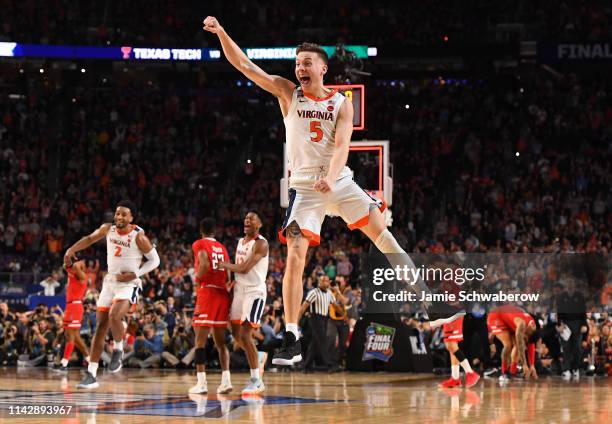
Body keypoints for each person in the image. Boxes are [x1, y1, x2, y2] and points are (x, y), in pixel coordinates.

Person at [202, 16, 462, 367]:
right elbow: (245, 65)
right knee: (295, 255)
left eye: (306, 63)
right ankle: (292, 336)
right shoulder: (287, 93)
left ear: (323, 69)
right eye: (297, 64)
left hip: (338, 180)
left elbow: (342, 146)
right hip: (304, 187)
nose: (299, 68)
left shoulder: (341, 103)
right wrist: (221, 33)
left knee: (384, 236)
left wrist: (332, 175)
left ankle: (428, 302)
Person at [63, 200, 160, 389]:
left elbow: (155, 261)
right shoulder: (108, 229)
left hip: (129, 282)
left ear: (131, 218)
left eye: (124, 214)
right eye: (117, 214)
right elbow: (89, 239)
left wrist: (135, 274)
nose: (119, 217)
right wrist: (71, 250)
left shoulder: (139, 237)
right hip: (111, 281)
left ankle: (118, 348)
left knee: (115, 315)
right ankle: (91, 374)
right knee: (100, 326)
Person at [219, 212, 268, 395]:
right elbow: (238, 269)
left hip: (255, 292)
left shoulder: (261, 244)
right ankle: (258, 355)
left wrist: (225, 265)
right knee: (236, 333)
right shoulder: (241, 242)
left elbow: (245, 268)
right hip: (240, 290)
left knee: (246, 335)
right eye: (246, 218)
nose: (247, 221)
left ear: (259, 224)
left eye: (252, 218)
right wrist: (230, 280)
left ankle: (257, 380)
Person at [188, 218, 233, 395]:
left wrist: (197, 279)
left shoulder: (199, 243)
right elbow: (229, 276)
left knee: (199, 341)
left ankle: (202, 383)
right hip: (222, 293)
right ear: (215, 231)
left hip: (207, 292)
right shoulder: (222, 248)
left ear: (201, 230)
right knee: (220, 342)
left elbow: (204, 263)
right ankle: (226, 381)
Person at [299, 274, 347, 372]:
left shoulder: (329, 293)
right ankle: (331, 365)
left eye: (326, 280)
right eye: (322, 281)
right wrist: (297, 320)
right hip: (315, 318)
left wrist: (343, 315)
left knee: (315, 343)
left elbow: (335, 306)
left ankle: (306, 367)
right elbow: (304, 306)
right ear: (319, 282)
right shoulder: (314, 292)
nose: (325, 282)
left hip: (324, 318)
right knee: (323, 341)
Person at [54, 259, 90, 372]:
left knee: (70, 336)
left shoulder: (83, 275)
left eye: (82, 262)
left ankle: (64, 363)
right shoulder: (73, 273)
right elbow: (66, 265)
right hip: (70, 307)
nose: (79, 263)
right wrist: (68, 258)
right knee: (74, 337)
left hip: (75, 306)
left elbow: (73, 266)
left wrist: (73, 256)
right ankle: (90, 360)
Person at [487, 304, 538, 382]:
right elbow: (521, 344)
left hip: (508, 320)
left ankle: (512, 372)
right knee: (508, 345)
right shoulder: (522, 325)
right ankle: (504, 373)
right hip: (496, 316)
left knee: (518, 345)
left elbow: (531, 344)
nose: (525, 339)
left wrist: (532, 365)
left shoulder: (532, 328)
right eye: (526, 338)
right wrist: (524, 365)